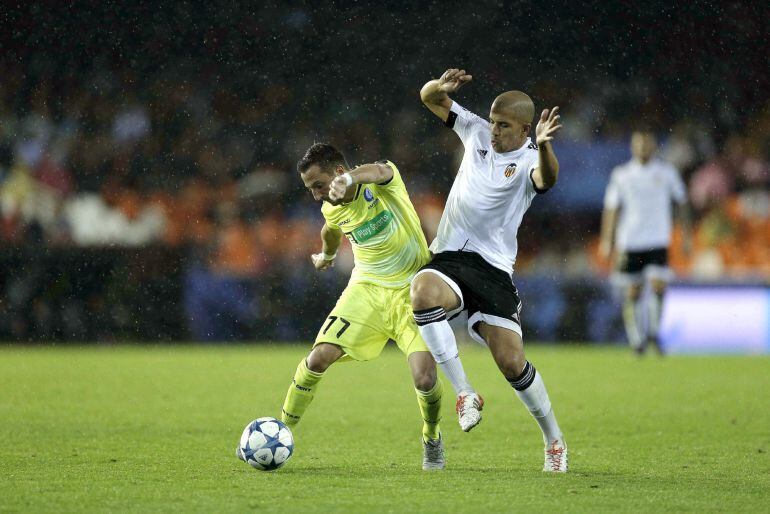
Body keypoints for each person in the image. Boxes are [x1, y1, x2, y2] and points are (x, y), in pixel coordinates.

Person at [238, 143, 446, 470]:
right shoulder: (331, 207)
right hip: (366, 293)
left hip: (413, 292)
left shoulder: (382, 183)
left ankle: (432, 437)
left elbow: (379, 169)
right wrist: (328, 256)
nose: (317, 195)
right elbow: (331, 230)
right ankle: (278, 431)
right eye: (309, 190)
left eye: (319, 186)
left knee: (424, 378)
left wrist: (349, 179)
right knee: (317, 358)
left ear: (337, 172)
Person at [410, 69, 568, 472]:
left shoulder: (532, 159)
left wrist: (547, 148)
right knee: (422, 292)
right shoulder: (476, 133)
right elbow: (429, 98)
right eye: (493, 121)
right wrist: (437, 88)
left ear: (525, 129)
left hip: (493, 269)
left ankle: (554, 440)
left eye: (503, 125)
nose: (494, 130)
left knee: (512, 363)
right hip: (448, 257)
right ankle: (465, 393)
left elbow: (546, 179)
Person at [599, 130, 691, 355]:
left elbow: (681, 202)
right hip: (630, 240)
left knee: (659, 286)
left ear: (654, 147)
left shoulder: (667, 172)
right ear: (632, 147)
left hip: (658, 238)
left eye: (647, 144)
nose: (643, 149)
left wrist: (686, 235)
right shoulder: (622, 174)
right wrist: (606, 239)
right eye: (639, 145)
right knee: (633, 291)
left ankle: (654, 333)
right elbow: (611, 208)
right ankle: (637, 341)